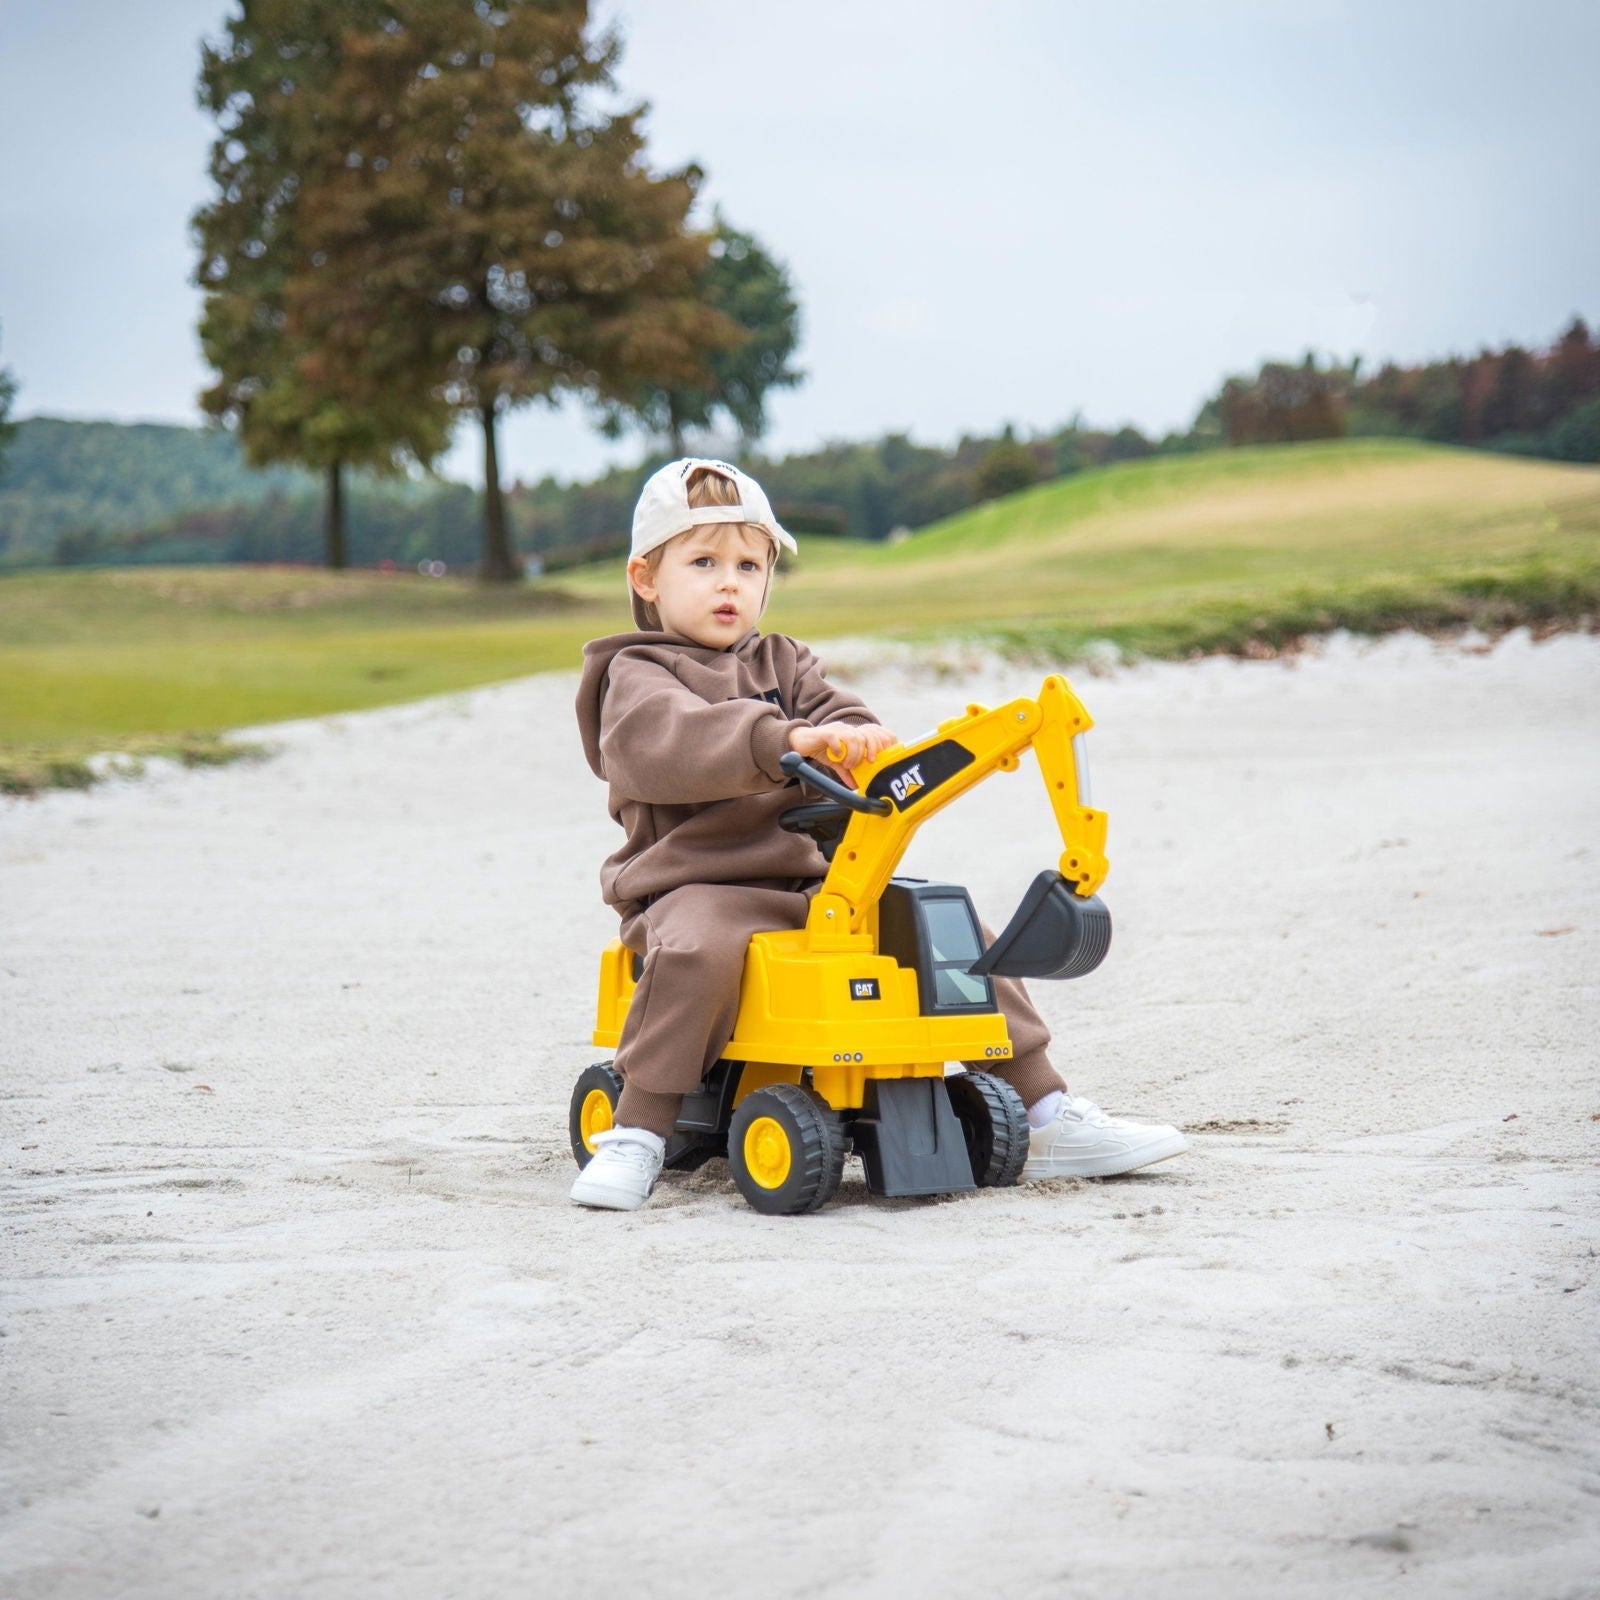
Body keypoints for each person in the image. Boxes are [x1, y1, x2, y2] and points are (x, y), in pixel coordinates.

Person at [570, 457, 1186, 1210]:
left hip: (813, 883)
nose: (729, 583)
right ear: (645, 577)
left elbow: (842, 716)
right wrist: (780, 740)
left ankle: (1045, 1110)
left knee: (948, 927)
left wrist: (857, 740)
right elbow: (669, 743)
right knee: (700, 949)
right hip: (696, 887)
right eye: (703, 563)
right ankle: (637, 1131)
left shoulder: (784, 661)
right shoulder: (635, 675)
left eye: (749, 566)